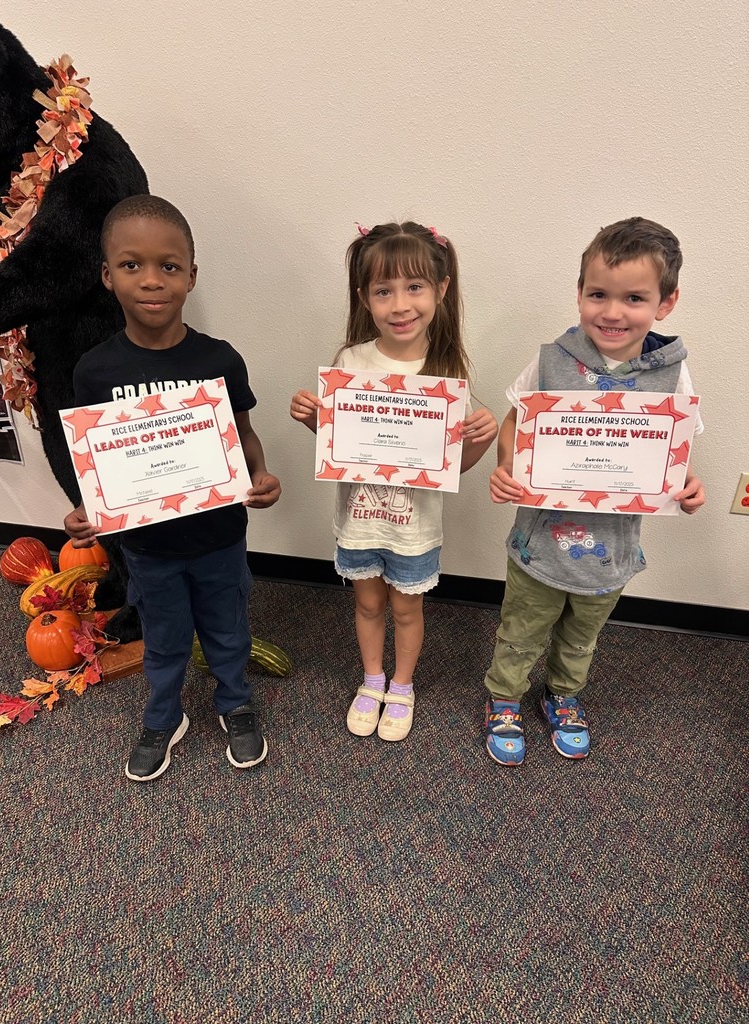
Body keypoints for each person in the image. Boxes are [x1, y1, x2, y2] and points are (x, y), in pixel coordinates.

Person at [64, 195, 281, 781]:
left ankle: (234, 703)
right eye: (131, 265)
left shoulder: (219, 360)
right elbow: (96, 460)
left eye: (169, 265)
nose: (151, 280)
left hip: (218, 536)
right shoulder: (94, 370)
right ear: (107, 276)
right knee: (163, 639)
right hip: (148, 549)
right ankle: (164, 715)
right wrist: (84, 511)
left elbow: (245, 433)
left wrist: (259, 476)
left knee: (228, 629)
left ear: (191, 275)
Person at [484, 217, 705, 766]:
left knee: (582, 635)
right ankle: (505, 698)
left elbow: (674, 450)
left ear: (666, 302)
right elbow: (515, 421)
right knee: (521, 629)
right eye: (598, 294)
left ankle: (562, 694)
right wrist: (508, 465)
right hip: (539, 544)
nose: (612, 311)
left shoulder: (673, 374)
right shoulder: (552, 358)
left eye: (634, 298)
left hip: (612, 551)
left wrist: (687, 485)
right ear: (579, 292)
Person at [291, 221, 498, 741]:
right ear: (365, 297)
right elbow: (340, 448)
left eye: (415, 287)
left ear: (442, 289)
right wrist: (314, 419)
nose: (400, 304)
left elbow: (457, 468)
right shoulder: (350, 362)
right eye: (384, 291)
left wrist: (480, 436)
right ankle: (372, 679)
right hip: (360, 519)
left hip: (414, 526)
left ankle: (401, 687)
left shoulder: (448, 371)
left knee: (407, 607)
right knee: (366, 603)